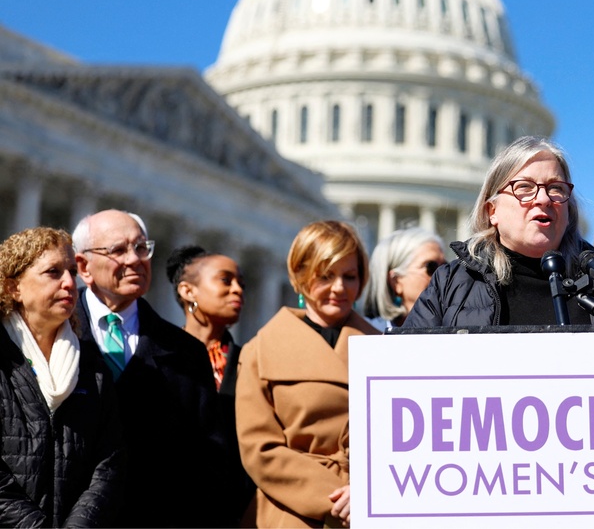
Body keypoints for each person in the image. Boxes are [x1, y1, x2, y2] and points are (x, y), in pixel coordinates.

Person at [73, 209, 226, 527]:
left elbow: (209, 458)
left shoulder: (186, 353)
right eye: (118, 250)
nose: (135, 259)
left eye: (141, 248)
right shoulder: (47, 333)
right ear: (83, 267)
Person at [405, 136, 594, 328]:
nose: (543, 199)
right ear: (492, 210)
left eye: (555, 188)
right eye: (524, 187)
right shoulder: (451, 284)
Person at [236, 220, 379, 527]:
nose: (339, 288)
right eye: (325, 276)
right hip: (293, 513)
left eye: (349, 276)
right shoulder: (259, 351)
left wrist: (370, 492)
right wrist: (339, 498)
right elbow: (260, 450)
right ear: (300, 276)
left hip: (372, 507)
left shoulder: (384, 350)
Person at [0, 227, 124, 527]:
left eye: (71, 271)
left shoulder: (92, 366)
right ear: (14, 287)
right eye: (53, 272)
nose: (70, 283)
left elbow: (108, 464)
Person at [166, 245, 255, 525]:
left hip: (232, 513)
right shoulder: (157, 356)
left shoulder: (250, 362)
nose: (238, 289)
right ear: (188, 291)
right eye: (226, 280)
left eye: (241, 282)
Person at [364, 227, 446, 330]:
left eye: (445, 267)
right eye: (431, 267)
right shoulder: (367, 334)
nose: (442, 275)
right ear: (396, 281)